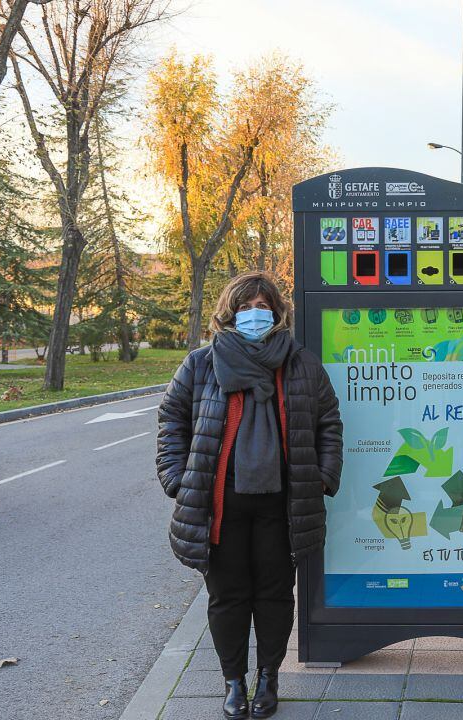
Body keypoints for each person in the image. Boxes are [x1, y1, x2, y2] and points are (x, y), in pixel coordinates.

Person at [156, 271, 343, 720]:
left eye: (263, 307)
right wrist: (177, 479)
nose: (255, 314)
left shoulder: (301, 363)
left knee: (276, 596)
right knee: (228, 596)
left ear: (277, 314)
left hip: (283, 504)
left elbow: (328, 423)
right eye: (246, 307)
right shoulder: (201, 364)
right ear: (229, 313)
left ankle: (269, 677)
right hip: (220, 504)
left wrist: (321, 476)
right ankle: (233, 681)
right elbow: (172, 421)